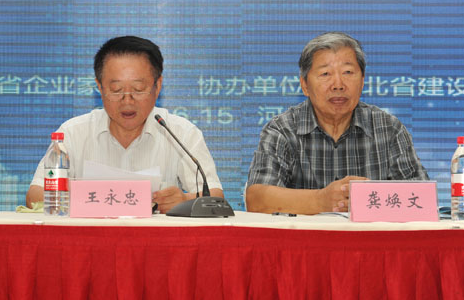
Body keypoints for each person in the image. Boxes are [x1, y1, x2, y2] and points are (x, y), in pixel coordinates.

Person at [26, 35, 224, 213]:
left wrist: (184, 201)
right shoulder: (73, 133)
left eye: (138, 89)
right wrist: (83, 198)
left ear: (157, 86)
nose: (127, 101)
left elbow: (215, 197)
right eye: (116, 90)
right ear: (99, 87)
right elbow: (35, 196)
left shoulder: (181, 133)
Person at [246, 32, 429, 215]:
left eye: (348, 72)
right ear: (305, 85)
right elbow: (256, 200)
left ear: (362, 81)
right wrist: (321, 200)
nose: (338, 84)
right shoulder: (282, 130)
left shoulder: (389, 129)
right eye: (325, 74)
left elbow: (422, 199)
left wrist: (367, 200)